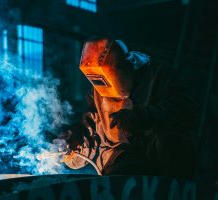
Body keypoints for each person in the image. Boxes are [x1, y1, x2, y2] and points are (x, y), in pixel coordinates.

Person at [61, 37, 197, 178]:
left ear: (125, 65)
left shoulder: (160, 75)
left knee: (170, 142)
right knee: (119, 178)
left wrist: (142, 117)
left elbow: (185, 109)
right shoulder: (98, 92)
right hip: (123, 159)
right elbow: (92, 131)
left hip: (158, 158)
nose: (106, 91)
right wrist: (76, 140)